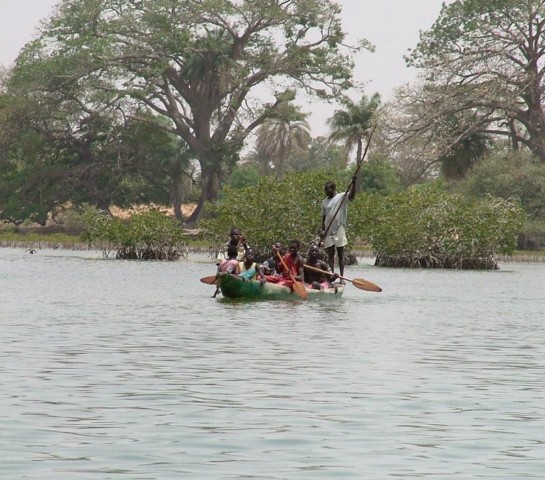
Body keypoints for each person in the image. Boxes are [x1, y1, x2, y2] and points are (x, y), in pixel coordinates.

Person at [320, 179, 356, 280]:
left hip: (339, 228)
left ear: (333, 189)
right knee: (330, 254)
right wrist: (323, 230)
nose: (325, 192)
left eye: (327, 190)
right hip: (328, 230)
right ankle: (331, 276)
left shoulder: (341, 197)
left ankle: (341, 277)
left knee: (340, 253)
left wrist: (354, 184)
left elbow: (352, 196)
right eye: (325, 190)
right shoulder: (324, 202)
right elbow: (323, 217)